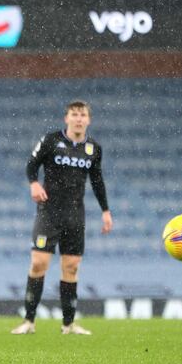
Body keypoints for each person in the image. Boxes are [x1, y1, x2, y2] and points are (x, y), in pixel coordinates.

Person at [11, 100, 112, 335]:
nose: (78, 118)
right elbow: (31, 164)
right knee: (39, 263)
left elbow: (97, 181)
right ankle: (28, 321)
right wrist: (34, 183)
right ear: (66, 118)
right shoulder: (51, 141)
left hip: (75, 214)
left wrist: (106, 211)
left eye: (82, 114)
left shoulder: (93, 149)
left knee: (71, 267)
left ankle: (68, 325)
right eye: (74, 114)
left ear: (88, 120)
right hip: (49, 213)